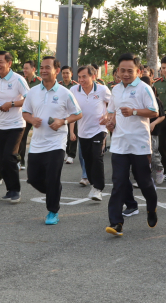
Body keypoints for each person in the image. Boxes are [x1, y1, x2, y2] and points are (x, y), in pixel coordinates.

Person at [104, 53, 160, 237]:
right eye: (122, 70)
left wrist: (134, 111)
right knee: (118, 183)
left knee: (144, 182)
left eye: (130, 71)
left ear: (138, 71)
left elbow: (154, 112)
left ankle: (151, 208)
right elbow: (111, 112)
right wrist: (110, 122)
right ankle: (116, 223)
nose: (125, 74)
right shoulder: (116, 89)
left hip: (139, 144)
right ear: (117, 71)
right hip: (119, 143)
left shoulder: (144, 88)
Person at [22, 56, 83, 225]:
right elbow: (25, 112)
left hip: (57, 142)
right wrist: (31, 120)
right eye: (41, 67)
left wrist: (62, 121)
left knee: (52, 176)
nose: (43, 70)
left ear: (56, 71)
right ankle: (54, 189)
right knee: (33, 178)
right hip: (37, 143)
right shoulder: (33, 91)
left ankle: (52, 211)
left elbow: (78, 114)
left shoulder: (65, 92)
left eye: (47, 67)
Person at [0, 51, 31, 203]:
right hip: (0, 124)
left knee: (8, 157)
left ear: (9, 63)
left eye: (1, 62)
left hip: (16, 124)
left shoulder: (18, 79)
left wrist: (11, 104)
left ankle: (15, 191)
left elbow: (29, 99)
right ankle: (9, 189)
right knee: (2, 158)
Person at [73, 64, 111, 201]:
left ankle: (98, 188)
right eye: (79, 77)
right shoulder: (74, 90)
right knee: (87, 160)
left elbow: (113, 104)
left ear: (93, 76)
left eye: (84, 76)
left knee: (97, 157)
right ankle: (92, 183)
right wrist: (71, 130)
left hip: (99, 130)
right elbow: (70, 109)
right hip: (83, 131)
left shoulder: (102, 90)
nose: (81, 80)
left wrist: (107, 116)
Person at [59, 66, 78, 163]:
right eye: (63, 73)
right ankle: (66, 151)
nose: (65, 75)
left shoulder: (76, 86)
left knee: (73, 133)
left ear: (71, 74)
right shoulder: (59, 85)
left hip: (73, 113)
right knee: (64, 133)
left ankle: (71, 154)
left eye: (67, 73)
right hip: (62, 113)